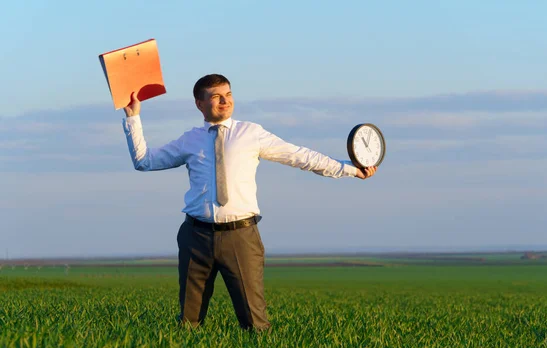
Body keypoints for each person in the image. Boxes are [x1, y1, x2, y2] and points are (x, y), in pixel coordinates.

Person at [122, 74, 377, 331]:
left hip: (241, 236)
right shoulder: (189, 140)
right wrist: (133, 117)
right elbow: (144, 161)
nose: (225, 101)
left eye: (228, 95)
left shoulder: (251, 133)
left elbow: (300, 156)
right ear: (199, 104)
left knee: (255, 324)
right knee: (188, 323)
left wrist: (350, 169)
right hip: (195, 237)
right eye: (216, 96)